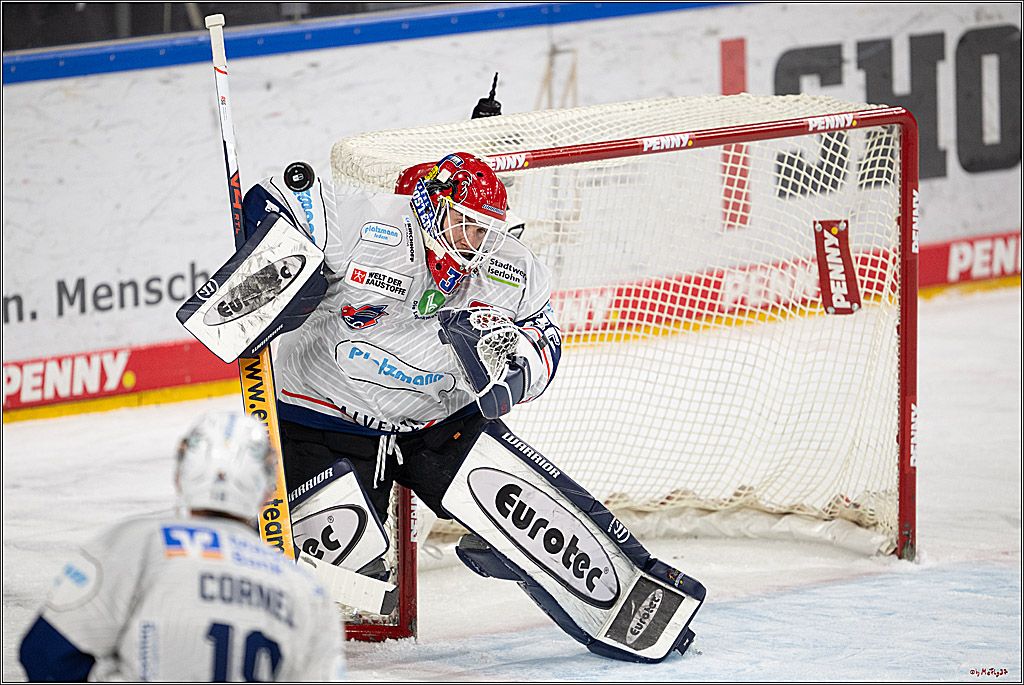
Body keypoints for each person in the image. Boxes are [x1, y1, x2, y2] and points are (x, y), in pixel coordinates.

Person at [178, 151, 705, 663]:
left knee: (529, 512)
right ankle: (214, 608)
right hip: (321, 421)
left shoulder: (508, 268)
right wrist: (278, 264)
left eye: (486, 230)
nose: (477, 242)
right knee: (349, 564)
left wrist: (513, 375)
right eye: (467, 224)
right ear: (433, 203)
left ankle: (606, 586)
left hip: (435, 426)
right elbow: (277, 196)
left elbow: (547, 341)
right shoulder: (370, 224)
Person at [18, 412, 346, 682]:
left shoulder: (135, 544)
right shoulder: (307, 590)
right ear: (266, 491)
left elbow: (45, 655)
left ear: (180, 475)